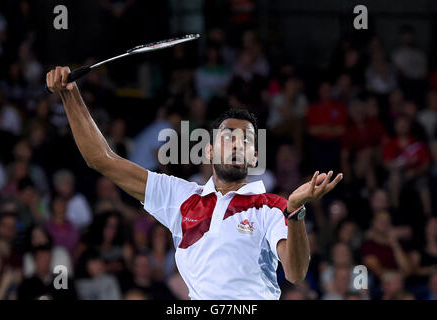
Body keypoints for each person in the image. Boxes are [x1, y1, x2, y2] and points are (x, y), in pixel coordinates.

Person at [45, 66, 343, 299]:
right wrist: (70, 94)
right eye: (228, 138)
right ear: (210, 151)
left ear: (254, 157)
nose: (237, 145)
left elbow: (295, 272)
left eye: (246, 141)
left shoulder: (271, 207)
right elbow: (101, 158)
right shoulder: (180, 196)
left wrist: (296, 210)